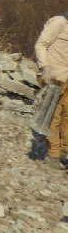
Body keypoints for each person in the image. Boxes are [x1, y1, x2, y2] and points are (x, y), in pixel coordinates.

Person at [33, 13, 68, 167]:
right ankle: (54, 153)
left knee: (66, 117)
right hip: (56, 77)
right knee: (53, 116)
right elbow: (41, 45)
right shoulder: (59, 22)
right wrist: (45, 68)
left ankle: (65, 153)